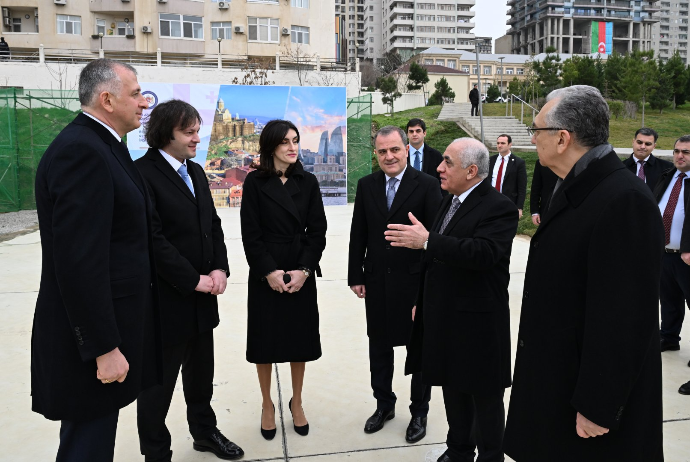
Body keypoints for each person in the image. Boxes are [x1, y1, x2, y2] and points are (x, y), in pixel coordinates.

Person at [504, 85, 664, 462]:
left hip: (588, 410)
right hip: (558, 380)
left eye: (537, 129)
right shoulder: (576, 186)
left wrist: (599, 404)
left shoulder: (623, 200)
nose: (532, 138)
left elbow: (626, 317)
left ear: (562, 138)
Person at [31, 58, 161, 461]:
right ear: (107, 99)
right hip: (90, 343)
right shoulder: (82, 152)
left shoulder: (103, 144)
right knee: (87, 444)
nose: (144, 103)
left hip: (111, 328)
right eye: (136, 93)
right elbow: (78, 261)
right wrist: (103, 347)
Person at [387, 137, 517, 462]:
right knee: (452, 388)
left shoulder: (498, 206)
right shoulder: (452, 198)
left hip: (478, 325)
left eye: (447, 162)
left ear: (472, 170)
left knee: (484, 401)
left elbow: (484, 253)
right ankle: (459, 450)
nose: (439, 168)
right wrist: (422, 299)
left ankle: (490, 457)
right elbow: (436, 258)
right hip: (445, 317)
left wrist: (428, 241)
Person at [135, 100, 244, 461]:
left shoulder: (195, 172)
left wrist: (219, 269)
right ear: (167, 134)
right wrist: (191, 279)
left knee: (201, 379)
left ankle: (204, 432)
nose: (199, 138)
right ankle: (156, 452)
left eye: (198, 130)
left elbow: (211, 224)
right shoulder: (143, 174)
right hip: (166, 302)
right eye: (190, 132)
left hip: (202, 298)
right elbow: (153, 240)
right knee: (158, 388)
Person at [348, 125, 442, 443]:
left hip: (414, 284)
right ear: (376, 154)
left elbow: (434, 240)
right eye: (382, 151)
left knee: (418, 351)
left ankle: (419, 412)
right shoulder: (366, 185)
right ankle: (384, 404)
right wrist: (355, 275)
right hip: (376, 283)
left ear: (406, 149)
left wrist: (429, 287)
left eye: (394, 150)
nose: (389, 156)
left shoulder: (428, 186)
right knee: (379, 349)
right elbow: (358, 233)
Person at [240, 119, 327, 440]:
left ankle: (297, 401)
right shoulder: (254, 183)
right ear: (271, 147)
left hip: (299, 270)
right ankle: (267, 404)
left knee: (298, 343)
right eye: (285, 142)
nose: (293, 148)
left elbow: (318, 232)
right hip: (267, 273)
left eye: (296, 141)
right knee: (265, 343)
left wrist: (304, 271)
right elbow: (251, 235)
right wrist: (268, 271)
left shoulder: (309, 181)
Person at [654, 135, 690, 356]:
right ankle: (668, 338)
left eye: (685, 152)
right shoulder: (667, 177)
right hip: (664, 253)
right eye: (677, 151)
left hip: (687, 256)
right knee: (668, 300)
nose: (679, 156)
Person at [487, 134, 527, 218]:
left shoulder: (518, 163)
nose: (499, 145)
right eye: (498, 143)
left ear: (510, 144)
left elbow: (522, 187)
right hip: (490, 201)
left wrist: (519, 207)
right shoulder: (490, 160)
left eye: (502, 143)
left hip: (509, 202)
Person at [623, 127, 673, 192]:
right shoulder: (621, 167)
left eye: (648, 144)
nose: (643, 147)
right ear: (633, 142)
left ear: (654, 146)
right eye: (639, 142)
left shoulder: (667, 168)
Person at [406, 118, 444, 193]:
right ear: (407, 134)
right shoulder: (400, 155)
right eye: (411, 131)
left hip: (430, 200)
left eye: (418, 131)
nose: (414, 134)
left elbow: (442, 181)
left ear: (424, 133)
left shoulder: (436, 155)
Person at [529, 159, 558, 226]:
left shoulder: (571, 161)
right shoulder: (542, 162)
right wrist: (535, 211)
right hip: (546, 208)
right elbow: (536, 188)